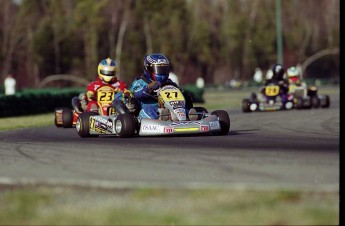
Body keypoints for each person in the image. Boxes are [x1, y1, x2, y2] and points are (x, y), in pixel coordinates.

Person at [129, 53, 183, 121]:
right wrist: (149, 87)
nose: (161, 72)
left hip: (168, 105)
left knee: (183, 104)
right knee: (149, 109)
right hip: (148, 105)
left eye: (163, 69)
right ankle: (160, 119)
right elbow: (137, 95)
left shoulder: (169, 82)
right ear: (148, 68)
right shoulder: (139, 82)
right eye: (158, 69)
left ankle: (188, 116)